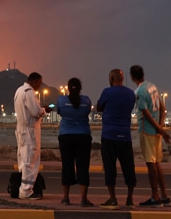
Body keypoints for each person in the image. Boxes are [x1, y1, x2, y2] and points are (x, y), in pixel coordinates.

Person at [130, 64, 171, 207]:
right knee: (157, 163)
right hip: (156, 132)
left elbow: (146, 114)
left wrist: (159, 129)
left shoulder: (140, 91)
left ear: (132, 77)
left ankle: (155, 197)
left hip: (147, 131)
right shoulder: (153, 87)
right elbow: (163, 108)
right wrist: (160, 128)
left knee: (150, 164)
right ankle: (164, 196)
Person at [96, 68, 137, 209]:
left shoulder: (107, 92)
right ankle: (130, 199)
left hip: (109, 135)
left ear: (111, 79)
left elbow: (99, 107)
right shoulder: (131, 93)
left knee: (110, 167)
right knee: (128, 167)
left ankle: (113, 199)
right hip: (125, 135)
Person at [56, 77, 93, 207]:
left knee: (67, 165)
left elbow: (59, 112)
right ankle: (83, 199)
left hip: (66, 136)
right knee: (83, 166)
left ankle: (66, 198)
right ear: (80, 88)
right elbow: (88, 111)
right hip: (83, 136)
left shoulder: (61, 100)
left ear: (67, 88)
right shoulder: (86, 101)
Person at [14, 71, 51, 200]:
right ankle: (26, 191)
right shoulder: (29, 92)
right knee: (30, 161)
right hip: (30, 132)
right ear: (35, 82)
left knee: (24, 160)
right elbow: (35, 111)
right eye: (39, 84)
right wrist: (45, 110)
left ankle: (23, 187)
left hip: (21, 130)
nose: (39, 87)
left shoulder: (19, 90)